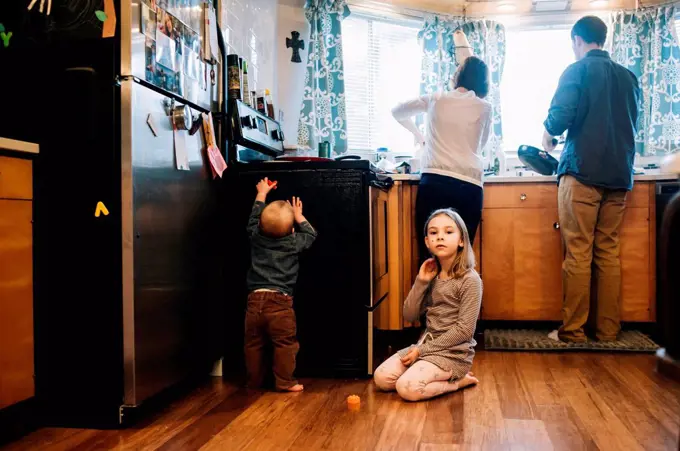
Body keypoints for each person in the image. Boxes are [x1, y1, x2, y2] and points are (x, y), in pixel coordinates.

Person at [542, 16, 640, 343]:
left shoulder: (577, 70)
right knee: (608, 251)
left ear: (577, 40)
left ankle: (573, 332)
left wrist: (547, 134)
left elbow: (558, 120)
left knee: (579, 252)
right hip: (618, 174)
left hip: (582, 172)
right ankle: (608, 331)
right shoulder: (629, 77)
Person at [392, 54, 492, 262]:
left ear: (458, 76)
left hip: (436, 183)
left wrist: (419, 136)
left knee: (430, 260)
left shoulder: (437, 98)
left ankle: (432, 295)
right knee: (461, 260)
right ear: (483, 83)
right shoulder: (484, 107)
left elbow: (397, 111)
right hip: (469, 186)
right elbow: (478, 146)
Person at [373, 209, 482, 401]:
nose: (440, 236)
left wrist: (420, 351)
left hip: (453, 354)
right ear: (427, 242)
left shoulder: (470, 280)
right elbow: (409, 315)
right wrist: (421, 282)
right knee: (381, 379)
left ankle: (459, 381)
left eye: (448, 232)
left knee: (407, 388)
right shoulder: (432, 275)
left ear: (461, 241)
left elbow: (464, 331)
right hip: (425, 346)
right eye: (434, 232)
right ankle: (426, 370)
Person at [244, 177, 317, 391]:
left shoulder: (255, 237)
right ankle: (285, 382)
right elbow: (311, 234)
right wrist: (299, 216)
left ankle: (253, 382)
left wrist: (262, 193)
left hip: (254, 301)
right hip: (281, 303)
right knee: (285, 344)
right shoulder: (293, 243)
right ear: (292, 231)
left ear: (259, 227)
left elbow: (253, 218)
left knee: (253, 345)